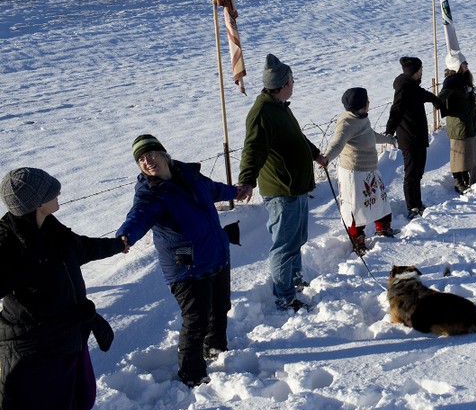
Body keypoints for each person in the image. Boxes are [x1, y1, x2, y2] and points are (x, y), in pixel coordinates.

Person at [1, 167, 126, 410]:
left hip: (69, 339)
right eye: (50, 191)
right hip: (36, 351)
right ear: (35, 203)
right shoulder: (8, 243)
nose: (58, 193)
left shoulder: (52, 230)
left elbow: (81, 248)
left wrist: (116, 245)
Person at [118, 135, 245, 387]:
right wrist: (125, 236)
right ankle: (191, 374)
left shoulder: (189, 175)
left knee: (220, 307)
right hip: (185, 264)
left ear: (164, 154)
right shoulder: (150, 194)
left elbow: (215, 189)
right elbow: (138, 217)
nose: (147, 161)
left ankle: (217, 349)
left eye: (151, 154)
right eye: (141, 159)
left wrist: (237, 192)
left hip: (215, 253)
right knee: (196, 318)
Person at [238, 54, 327, 312]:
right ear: (283, 83)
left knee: (296, 240)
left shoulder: (279, 107)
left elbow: (296, 138)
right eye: (292, 79)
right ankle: (284, 296)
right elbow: (252, 148)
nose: (294, 83)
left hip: (295, 187)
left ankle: (295, 280)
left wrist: (314, 154)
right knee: (284, 245)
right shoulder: (262, 112)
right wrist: (246, 180)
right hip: (281, 189)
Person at [321, 88, 396, 255]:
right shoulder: (346, 123)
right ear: (362, 104)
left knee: (380, 200)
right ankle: (358, 239)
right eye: (367, 100)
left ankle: (383, 228)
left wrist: (389, 140)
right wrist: (327, 158)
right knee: (355, 206)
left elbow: (371, 135)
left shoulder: (362, 118)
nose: (369, 102)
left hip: (370, 169)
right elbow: (337, 144)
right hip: (354, 172)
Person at [385, 56, 443, 219]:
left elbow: (425, 95)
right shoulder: (404, 88)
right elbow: (395, 110)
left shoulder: (412, 87)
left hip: (418, 137)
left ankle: (418, 203)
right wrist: (389, 130)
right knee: (411, 174)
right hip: (409, 139)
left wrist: (437, 101)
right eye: (421, 70)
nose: (422, 72)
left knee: (417, 173)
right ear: (415, 72)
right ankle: (413, 207)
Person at [438, 51, 476, 193]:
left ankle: (466, 178)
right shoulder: (452, 82)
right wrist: (444, 106)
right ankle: (458, 182)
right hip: (458, 123)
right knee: (459, 154)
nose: (467, 64)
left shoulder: (462, 79)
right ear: (457, 65)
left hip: (468, 121)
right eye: (464, 63)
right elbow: (441, 98)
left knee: (469, 152)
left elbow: (465, 94)